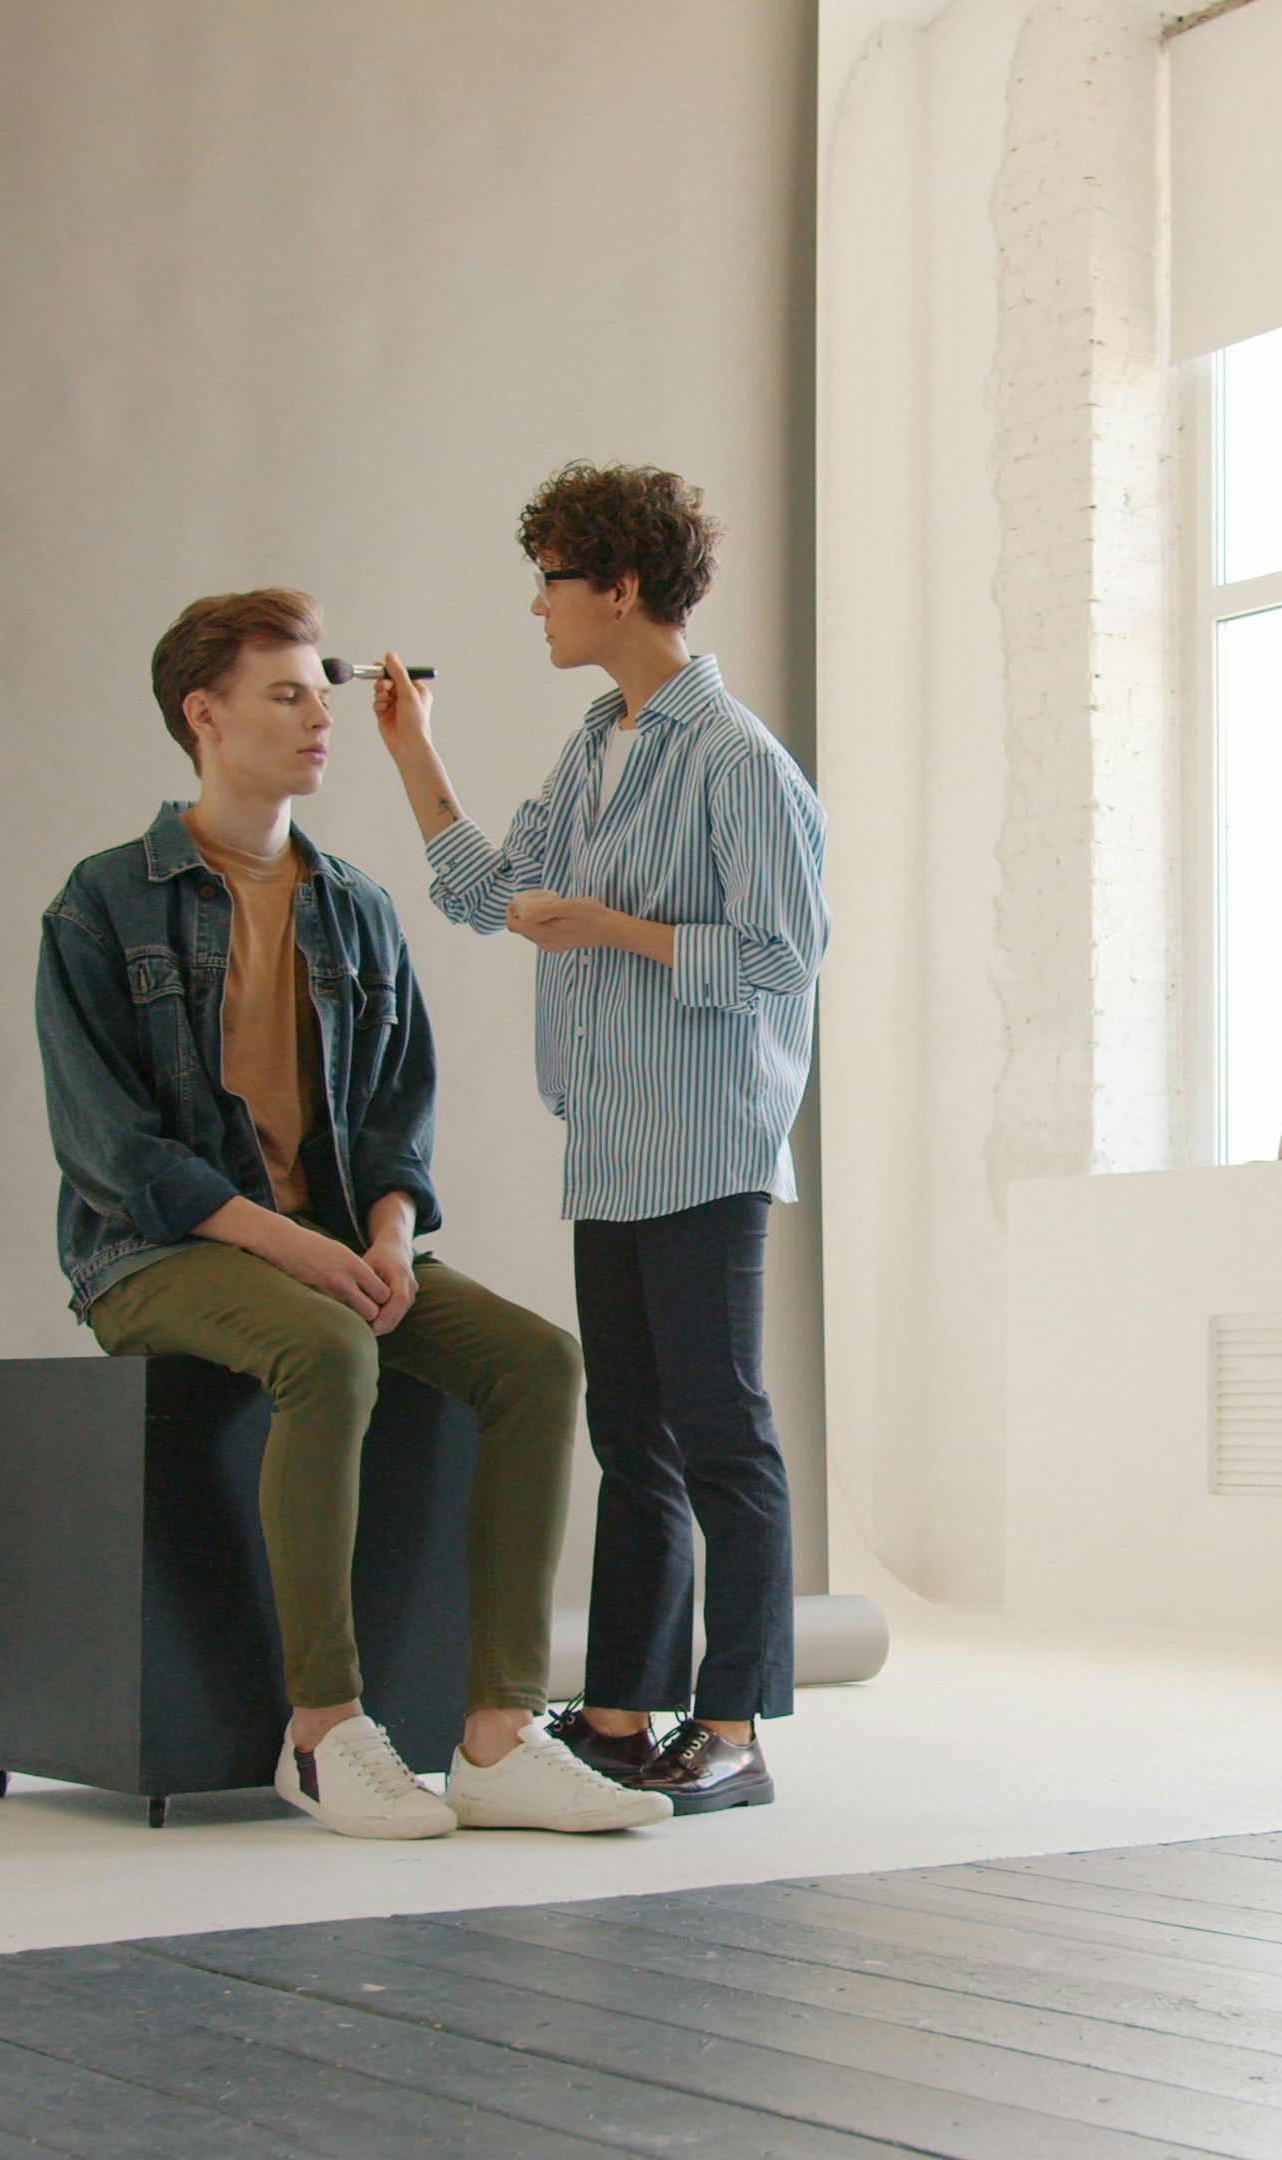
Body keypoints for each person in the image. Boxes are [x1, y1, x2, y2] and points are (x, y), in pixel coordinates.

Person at [38, 588, 669, 1841]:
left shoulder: (356, 906)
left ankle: (496, 1737)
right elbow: (114, 1152)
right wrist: (298, 1250)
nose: (318, 720)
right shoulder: (104, 903)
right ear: (203, 715)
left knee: (538, 1362)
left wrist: (383, 1238)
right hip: (154, 1254)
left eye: (317, 697)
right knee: (326, 1347)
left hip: (337, 1245)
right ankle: (323, 1732)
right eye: (285, 696)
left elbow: (396, 1118)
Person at [371, 464, 828, 1816]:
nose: (539, 605)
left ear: (620, 587)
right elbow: (497, 894)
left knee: (722, 1435)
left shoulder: (738, 760)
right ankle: (623, 1713)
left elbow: (785, 957)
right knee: (635, 1439)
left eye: (554, 580)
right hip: (613, 1144)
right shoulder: (597, 744)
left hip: (707, 1144)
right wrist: (413, 751)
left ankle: (732, 1724)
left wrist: (614, 931)